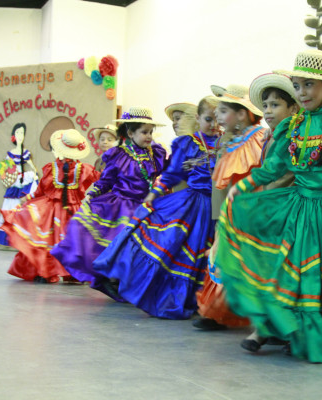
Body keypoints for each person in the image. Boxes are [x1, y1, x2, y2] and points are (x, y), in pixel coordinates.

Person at [215, 50, 322, 363]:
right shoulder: (291, 126)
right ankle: (296, 333)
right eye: (298, 85)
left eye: (309, 85)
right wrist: (241, 188)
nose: (303, 92)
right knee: (295, 275)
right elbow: (272, 169)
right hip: (302, 210)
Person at [92, 97, 219, 318]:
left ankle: (200, 299)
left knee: (202, 253)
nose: (214, 125)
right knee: (167, 243)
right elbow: (172, 174)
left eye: (218, 119)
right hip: (192, 203)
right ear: (198, 119)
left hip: (216, 205)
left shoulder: (226, 142)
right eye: (208, 119)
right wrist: (154, 193)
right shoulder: (188, 143)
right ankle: (133, 281)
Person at [50, 107, 168, 299]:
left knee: (143, 248)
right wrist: (92, 194)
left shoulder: (155, 153)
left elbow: (167, 171)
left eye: (150, 132)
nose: (149, 136)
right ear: (130, 133)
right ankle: (109, 279)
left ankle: (129, 284)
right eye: (144, 132)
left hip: (145, 206)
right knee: (118, 242)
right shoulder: (118, 154)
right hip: (122, 205)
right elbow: (107, 180)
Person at [192, 84, 265, 331]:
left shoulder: (257, 138)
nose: (219, 118)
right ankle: (216, 312)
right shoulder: (230, 140)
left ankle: (260, 319)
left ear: (242, 114)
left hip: (250, 213)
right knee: (222, 257)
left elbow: (260, 176)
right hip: (230, 212)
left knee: (249, 261)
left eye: (223, 111)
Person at [239, 73, 299, 352]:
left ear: (293, 108)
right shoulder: (270, 135)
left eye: (275, 105)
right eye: (265, 106)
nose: (268, 112)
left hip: (284, 211)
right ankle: (274, 328)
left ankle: (262, 331)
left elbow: (281, 176)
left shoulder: (291, 136)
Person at [1, 129, 100, 283]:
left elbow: (41, 190)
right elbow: (98, 182)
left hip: (51, 213)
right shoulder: (85, 170)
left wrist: (27, 198)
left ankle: (46, 271)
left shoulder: (51, 169)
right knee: (73, 241)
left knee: (47, 241)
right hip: (74, 211)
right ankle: (72, 274)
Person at [0, 122, 39, 246]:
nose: (20, 135)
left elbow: (32, 166)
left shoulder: (25, 152)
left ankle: (25, 237)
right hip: (14, 180)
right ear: (13, 135)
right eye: (18, 132)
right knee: (10, 208)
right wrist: (5, 174)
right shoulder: (10, 153)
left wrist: (35, 174)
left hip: (22, 179)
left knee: (33, 177)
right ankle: (10, 237)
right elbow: (5, 168)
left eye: (22, 132)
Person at [165, 103, 197, 191]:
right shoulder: (178, 144)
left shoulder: (194, 145)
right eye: (173, 120)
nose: (174, 123)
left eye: (178, 119)